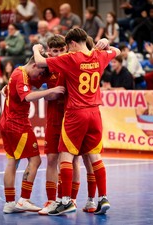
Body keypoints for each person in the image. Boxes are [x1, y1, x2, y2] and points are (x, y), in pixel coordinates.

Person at [32, 28, 120, 216]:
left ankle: (65, 201)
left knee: (66, 156)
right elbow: (117, 51)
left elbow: (39, 62)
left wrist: (35, 47)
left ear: (72, 44)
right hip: (95, 113)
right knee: (95, 157)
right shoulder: (99, 56)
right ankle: (102, 197)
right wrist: (105, 42)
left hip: (75, 113)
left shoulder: (71, 59)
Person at [36, 35, 100, 215]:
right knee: (51, 160)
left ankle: (71, 199)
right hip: (54, 121)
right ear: (49, 51)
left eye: (61, 50)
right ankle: (51, 200)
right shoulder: (47, 68)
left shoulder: (72, 63)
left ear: (67, 48)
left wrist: (104, 43)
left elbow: (92, 53)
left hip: (74, 120)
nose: (57, 54)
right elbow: (32, 82)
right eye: (54, 51)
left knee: (76, 161)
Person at [1, 56, 65, 214]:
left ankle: (10, 203)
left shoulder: (19, 73)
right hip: (18, 124)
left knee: (12, 161)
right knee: (35, 160)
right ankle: (24, 200)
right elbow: (27, 96)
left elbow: (9, 89)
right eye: (40, 72)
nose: (39, 77)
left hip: (7, 122)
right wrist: (50, 91)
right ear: (35, 65)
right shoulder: (21, 75)